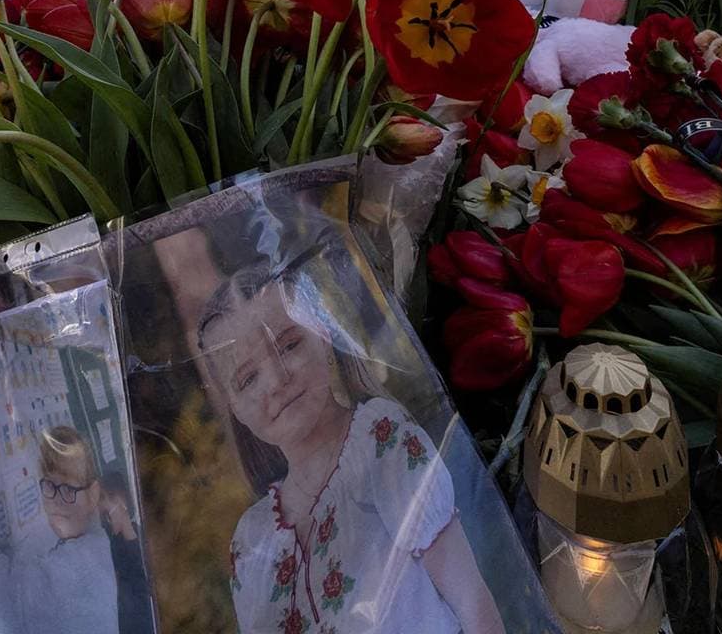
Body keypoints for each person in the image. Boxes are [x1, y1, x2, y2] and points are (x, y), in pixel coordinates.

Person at [198, 264, 505, 634]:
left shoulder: (380, 439)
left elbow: (471, 600)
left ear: (324, 334)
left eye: (290, 345)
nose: (277, 381)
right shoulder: (251, 539)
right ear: (234, 408)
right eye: (248, 379)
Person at [0, 424, 128, 634]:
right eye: (49, 485)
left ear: (93, 494)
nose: (57, 501)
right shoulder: (98, 543)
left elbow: (10, 595)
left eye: (69, 488)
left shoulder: (78, 565)